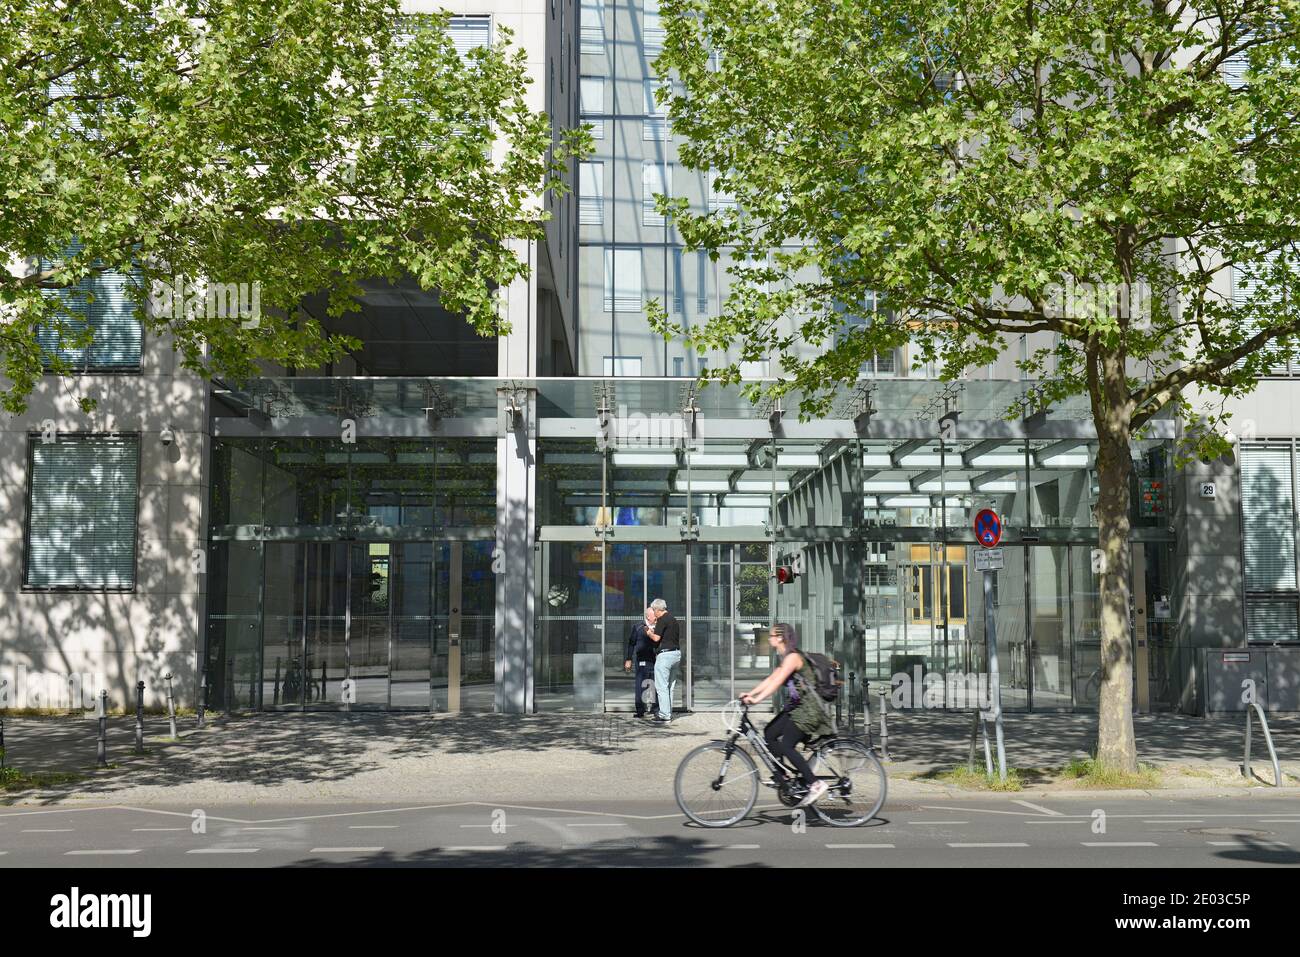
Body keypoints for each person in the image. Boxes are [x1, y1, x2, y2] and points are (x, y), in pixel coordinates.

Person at [739, 623, 834, 807]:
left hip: (809, 711)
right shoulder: (785, 658)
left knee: (786, 745)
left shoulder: (793, 658)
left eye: (772, 635)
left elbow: (778, 682)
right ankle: (782, 776)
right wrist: (750, 694)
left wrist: (757, 700)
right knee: (769, 733)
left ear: (781, 638)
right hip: (797, 708)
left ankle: (815, 783)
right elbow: (771, 679)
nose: (769, 638)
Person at [648, 598, 682, 723]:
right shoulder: (673, 619)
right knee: (670, 687)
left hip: (665, 656)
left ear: (657, 609)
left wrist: (649, 632)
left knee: (661, 686)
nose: (653, 613)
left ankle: (664, 715)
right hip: (676, 654)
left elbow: (656, 638)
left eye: (653, 610)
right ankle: (668, 712)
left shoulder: (662, 619)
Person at [623, 606, 659, 717]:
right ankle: (640, 710)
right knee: (640, 686)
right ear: (648, 616)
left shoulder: (659, 627)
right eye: (655, 615)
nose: (657, 617)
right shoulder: (638, 627)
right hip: (642, 661)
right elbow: (631, 643)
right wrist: (628, 659)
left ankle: (655, 709)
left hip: (655, 661)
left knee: (654, 685)